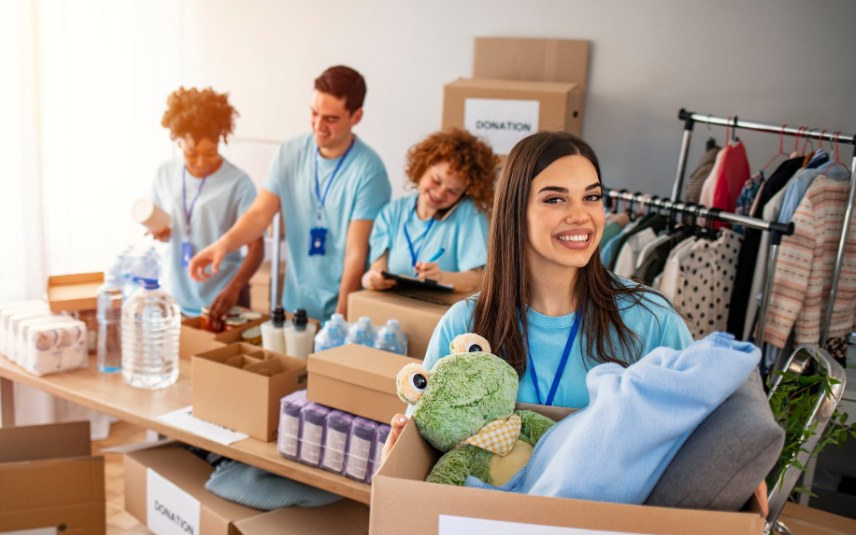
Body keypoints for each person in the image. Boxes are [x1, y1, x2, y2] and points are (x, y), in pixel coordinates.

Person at [382, 131, 694, 460]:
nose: (580, 215)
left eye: (592, 197)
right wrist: (397, 455)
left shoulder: (651, 321)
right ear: (515, 211)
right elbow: (422, 451)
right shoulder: (464, 326)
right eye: (555, 199)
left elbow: (695, 447)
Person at [188, 65, 392, 321]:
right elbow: (260, 214)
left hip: (342, 311)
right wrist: (222, 245)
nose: (319, 125)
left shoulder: (369, 171)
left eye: (331, 119)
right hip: (294, 306)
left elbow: (356, 253)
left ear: (356, 116)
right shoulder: (290, 152)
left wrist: (341, 319)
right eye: (314, 113)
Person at [151, 86, 263, 320]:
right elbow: (164, 228)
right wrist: (160, 232)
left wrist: (235, 288)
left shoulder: (238, 183)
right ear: (178, 141)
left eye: (210, 152)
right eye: (191, 153)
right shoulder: (164, 173)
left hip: (222, 300)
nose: (201, 162)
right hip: (176, 298)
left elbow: (256, 248)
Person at [362, 128, 497, 293]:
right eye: (436, 180)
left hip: (440, 315)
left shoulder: (469, 214)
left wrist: (442, 278)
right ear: (423, 167)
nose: (440, 193)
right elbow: (376, 269)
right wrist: (372, 280)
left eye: (453, 191)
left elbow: (478, 279)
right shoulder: (392, 213)